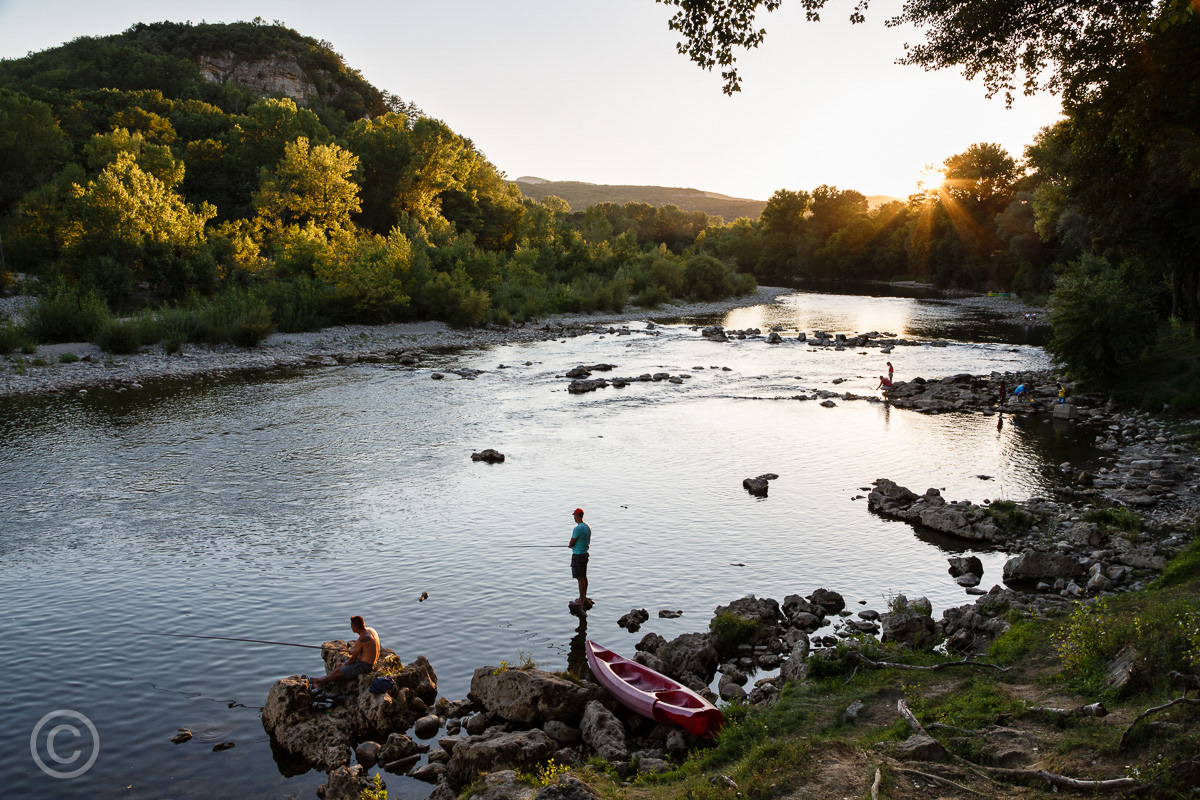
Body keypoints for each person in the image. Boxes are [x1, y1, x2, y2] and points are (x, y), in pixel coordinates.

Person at [310, 616, 379, 687]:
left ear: (355, 627)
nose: (351, 627)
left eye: (351, 625)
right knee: (339, 665)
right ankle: (322, 683)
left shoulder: (362, 639)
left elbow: (352, 659)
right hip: (369, 662)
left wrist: (345, 665)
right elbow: (367, 649)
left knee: (339, 670)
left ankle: (316, 680)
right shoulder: (371, 630)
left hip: (365, 666)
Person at [568, 508, 592, 613]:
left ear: (578, 516)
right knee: (584, 577)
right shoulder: (588, 526)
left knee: (580, 578)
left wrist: (570, 545)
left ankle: (581, 600)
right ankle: (583, 597)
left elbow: (572, 542)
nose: (574, 517)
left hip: (578, 555)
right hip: (585, 554)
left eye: (574, 516)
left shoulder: (577, 529)